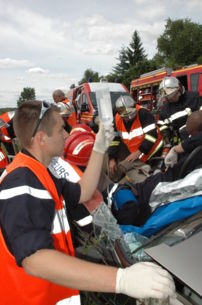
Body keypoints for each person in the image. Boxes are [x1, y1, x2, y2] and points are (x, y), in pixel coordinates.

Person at [0, 100, 175, 305]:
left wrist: (99, 146)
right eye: (60, 129)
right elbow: (35, 260)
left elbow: (84, 191)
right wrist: (120, 280)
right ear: (41, 139)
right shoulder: (22, 183)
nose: (66, 134)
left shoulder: (39, 174)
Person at [108, 95, 163, 183]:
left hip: (153, 151)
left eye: (131, 115)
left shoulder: (143, 113)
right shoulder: (117, 119)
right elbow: (114, 140)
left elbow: (152, 136)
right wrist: (112, 158)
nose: (128, 118)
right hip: (135, 154)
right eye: (125, 117)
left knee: (142, 177)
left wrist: (139, 151)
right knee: (118, 168)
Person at [157, 76, 202, 148]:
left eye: (173, 95)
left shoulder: (194, 97)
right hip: (182, 143)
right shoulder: (165, 110)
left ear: (179, 89)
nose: (171, 98)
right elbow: (163, 126)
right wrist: (167, 141)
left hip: (199, 137)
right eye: (168, 97)